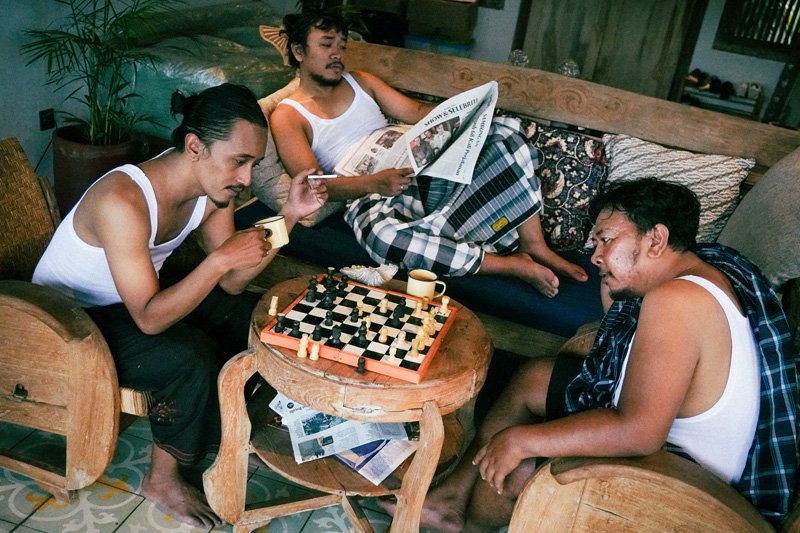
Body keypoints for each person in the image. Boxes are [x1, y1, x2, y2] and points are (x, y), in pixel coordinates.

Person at [385, 178, 798, 532]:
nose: (596, 255)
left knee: (517, 468)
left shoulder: (677, 300)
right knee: (537, 378)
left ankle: (471, 527)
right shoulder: (700, 271)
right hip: (674, 448)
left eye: (607, 239)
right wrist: (614, 272)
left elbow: (639, 432)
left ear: (656, 239)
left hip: (683, 483)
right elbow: (619, 326)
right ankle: (450, 499)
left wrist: (520, 440)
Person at [32, 83, 327, 528]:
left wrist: (289, 215)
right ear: (194, 147)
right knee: (189, 357)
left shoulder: (213, 191)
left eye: (253, 163)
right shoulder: (123, 200)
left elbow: (232, 282)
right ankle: (162, 479)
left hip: (129, 301)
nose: (247, 178)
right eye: (239, 161)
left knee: (246, 316)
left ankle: (227, 435)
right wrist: (220, 260)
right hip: (67, 322)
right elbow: (151, 320)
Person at [269, 9, 588, 298]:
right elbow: (315, 187)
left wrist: (462, 116)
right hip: (370, 194)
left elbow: (417, 112)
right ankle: (511, 265)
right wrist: (376, 183)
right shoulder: (289, 115)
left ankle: (534, 244)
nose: (337, 54)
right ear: (299, 51)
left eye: (341, 45)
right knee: (385, 240)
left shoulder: (361, 82)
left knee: (503, 131)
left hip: (416, 169)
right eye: (326, 45)